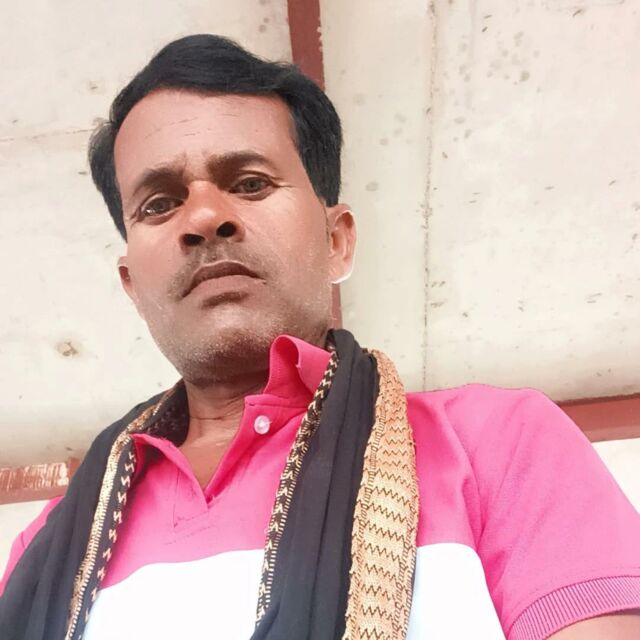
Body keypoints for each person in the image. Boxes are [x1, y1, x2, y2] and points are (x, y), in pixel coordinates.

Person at [0, 34, 639, 640]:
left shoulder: (501, 442)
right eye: (160, 204)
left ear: (337, 241)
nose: (204, 216)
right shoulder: (48, 546)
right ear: (132, 286)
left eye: (249, 183)